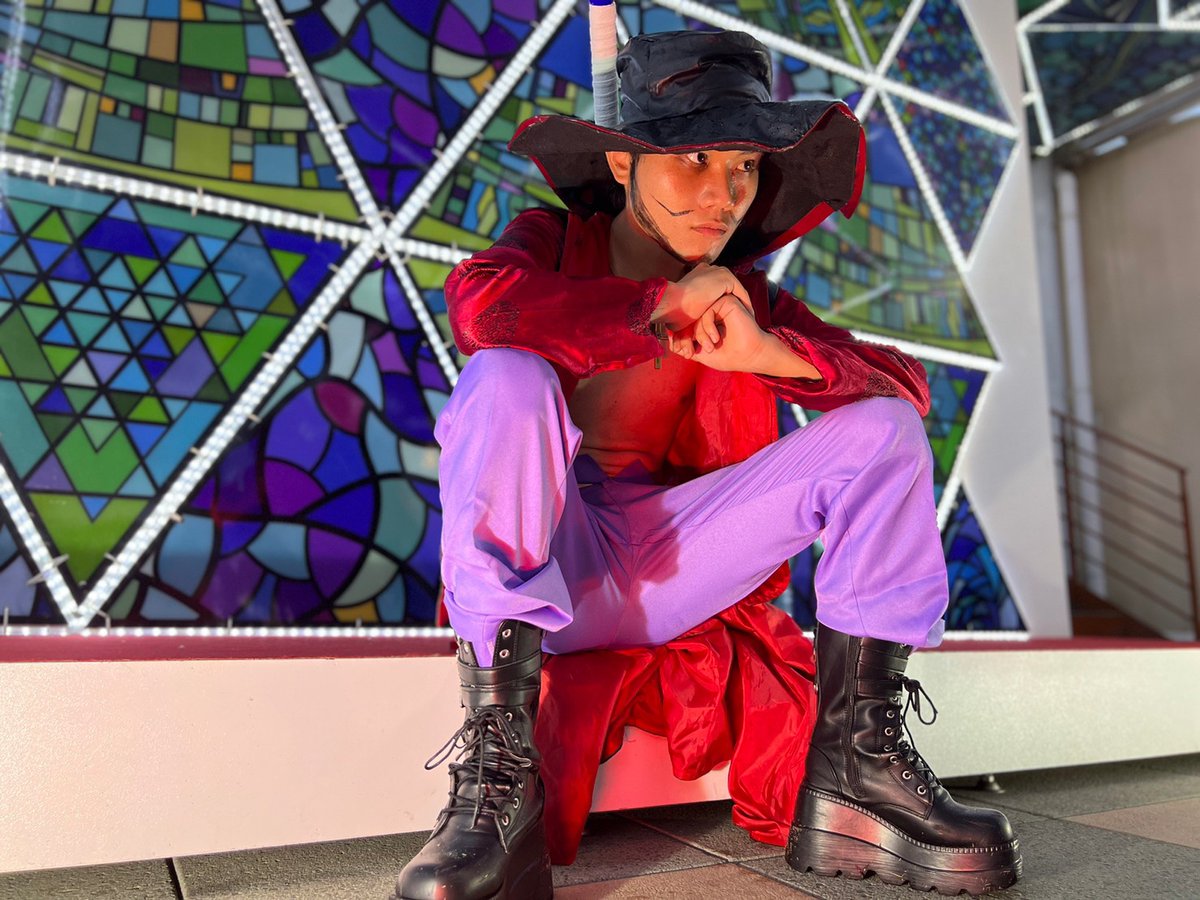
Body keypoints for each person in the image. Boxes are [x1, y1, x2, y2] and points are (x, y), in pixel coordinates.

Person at [393, 29, 1021, 900]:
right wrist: (655, 307)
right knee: (504, 374)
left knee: (884, 429)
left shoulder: (747, 296)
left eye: (745, 166)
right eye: (693, 158)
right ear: (622, 163)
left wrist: (769, 353)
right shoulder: (551, 243)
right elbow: (480, 310)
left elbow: (904, 386)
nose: (724, 194)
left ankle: (857, 771)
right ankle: (498, 784)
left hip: (674, 568)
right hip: (549, 578)